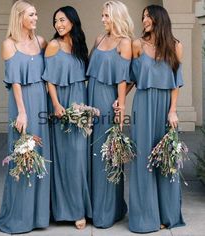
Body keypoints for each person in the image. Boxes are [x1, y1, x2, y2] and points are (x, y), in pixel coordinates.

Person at [128, 5, 185, 233]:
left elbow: (176, 82)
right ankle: (145, 216)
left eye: (148, 16)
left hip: (165, 109)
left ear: (158, 18)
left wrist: (173, 110)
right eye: (142, 16)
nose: (144, 20)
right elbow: (132, 78)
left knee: (166, 161)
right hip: (143, 105)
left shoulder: (175, 46)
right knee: (143, 160)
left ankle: (166, 215)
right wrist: (118, 99)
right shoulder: (137, 45)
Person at [0, 0, 50, 233]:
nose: (36, 18)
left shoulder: (41, 41)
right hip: (22, 104)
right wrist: (22, 111)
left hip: (41, 100)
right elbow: (15, 81)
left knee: (40, 153)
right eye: (31, 14)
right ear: (19, 17)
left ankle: (39, 216)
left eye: (36, 14)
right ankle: (19, 215)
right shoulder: (9, 44)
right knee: (22, 154)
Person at [42, 6, 92, 229]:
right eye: (56, 21)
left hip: (79, 103)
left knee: (79, 159)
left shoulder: (79, 45)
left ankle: (80, 207)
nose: (58, 24)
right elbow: (49, 80)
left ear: (72, 21)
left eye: (62, 20)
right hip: (60, 105)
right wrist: (55, 104)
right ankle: (68, 210)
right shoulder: (53, 46)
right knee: (64, 159)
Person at [87, 0, 134, 228]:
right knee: (90, 155)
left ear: (116, 16)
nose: (103, 19)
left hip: (107, 102)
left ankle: (108, 211)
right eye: (102, 15)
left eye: (106, 15)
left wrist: (121, 106)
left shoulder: (125, 43)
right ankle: (92, 207)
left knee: (106, 153)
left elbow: (125, 78)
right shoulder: (99, 39)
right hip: (90, 98)